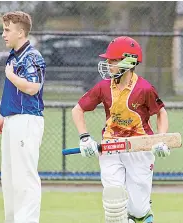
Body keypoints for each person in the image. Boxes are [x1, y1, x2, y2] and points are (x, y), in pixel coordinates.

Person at [71, 36, 170, 223]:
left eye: (113, 60)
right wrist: (85, 138)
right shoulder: (103, 86)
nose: (108, 64)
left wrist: (160, 139)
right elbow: (78, 109)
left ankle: (140, 216)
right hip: (111, 147)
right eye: (108, 60)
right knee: (113, 201)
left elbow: (161, 113)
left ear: (129, 61)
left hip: (139, 148)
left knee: (138, 211)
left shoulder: (145, 88)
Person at [0, 11, 46, 223]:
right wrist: (3, 115)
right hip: (14, 119)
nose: (3, 34)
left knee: (25, 178)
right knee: (11, 178)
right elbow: (16, 93)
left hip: (27, 120)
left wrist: (11, 76)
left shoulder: (32, 56)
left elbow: (32, 87)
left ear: (20, 32)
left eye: (7, 30)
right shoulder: (14, 55)